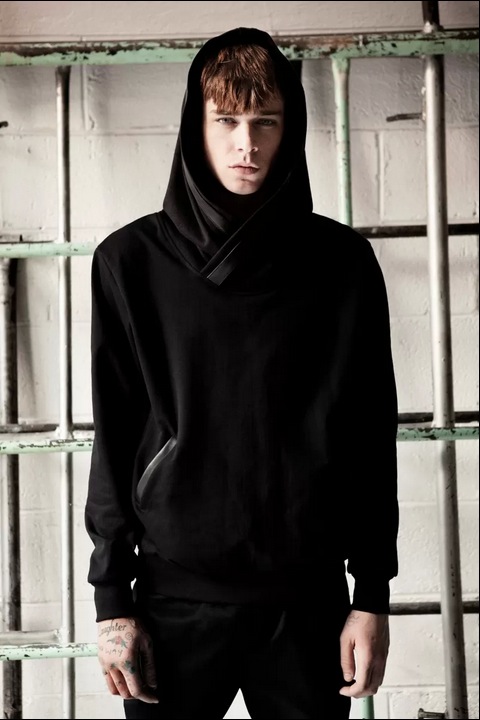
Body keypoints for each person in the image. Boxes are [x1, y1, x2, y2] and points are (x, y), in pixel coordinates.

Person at [85, 26, 399, 720]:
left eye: (266, 122)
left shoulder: (342, 266)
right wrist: (111, 601)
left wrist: (372, 594)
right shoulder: (129, 263)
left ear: (291, 129)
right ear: (195, 128)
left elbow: (370, 437)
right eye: (226, 121)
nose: (246, 144)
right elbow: (115, 433)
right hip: (171, 601)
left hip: (309, 602)